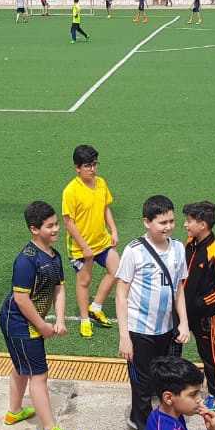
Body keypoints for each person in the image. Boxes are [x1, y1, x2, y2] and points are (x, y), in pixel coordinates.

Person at [0, 200, 81, 430]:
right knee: (39, 374)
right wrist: (42, 325)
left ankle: (14, 412)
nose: (56, 229)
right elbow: (21, 299)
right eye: (50, 226)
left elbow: (59, 289)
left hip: (28, 321)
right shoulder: (26, 260)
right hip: (19, 323)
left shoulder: (54, 256)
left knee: (22, 365)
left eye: (56, 224)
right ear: (34, 229)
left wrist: (60, 319)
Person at [116, 195, 190, 430]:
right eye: (162, 222)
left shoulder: (178, 249)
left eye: (171, 221)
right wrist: (124, 336)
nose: (168, 227)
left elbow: (179, 289)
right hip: (140, 331)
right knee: (142, 386)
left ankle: (161, 426)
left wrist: (184, 323)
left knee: (167, 382)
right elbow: (121, 294)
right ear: (147, 222)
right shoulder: (134, 251)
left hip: (167, 330)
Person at [61, 144, 119, 339]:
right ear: (77, 168)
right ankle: (85, 320)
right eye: (87, 166)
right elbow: (68, 222)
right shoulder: (71, 191)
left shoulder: (101, 183)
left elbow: (106, 208)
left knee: (117, 269)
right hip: (80, 248)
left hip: (102, 242)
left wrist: (113, 230)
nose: (92, 169)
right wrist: (85, 247)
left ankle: (96, 307)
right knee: (84, 281)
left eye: (94, 164)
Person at [183, 201, 215, 412]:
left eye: (189, 221)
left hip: (205, 316)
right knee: (173, 348)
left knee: (209, 354)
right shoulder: (190, 242)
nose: (185, 224)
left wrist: (201, 302)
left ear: (202, 225)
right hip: (183, 311)